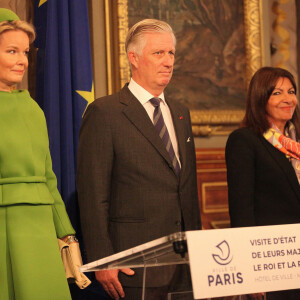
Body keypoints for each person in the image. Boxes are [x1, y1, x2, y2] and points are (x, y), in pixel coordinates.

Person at [77, 18, 201, 299]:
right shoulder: (105, 113)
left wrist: (199, 252)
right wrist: (103, 259)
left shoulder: (180, 113)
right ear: (134, 58)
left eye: (171, 53)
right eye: (159, 53)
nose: (168, 61)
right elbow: (93, 195)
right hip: (133, 265)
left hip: (184, 264)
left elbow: (187, 189)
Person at [0, 8, 76, 300]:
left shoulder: (33, 108)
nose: (22, 60)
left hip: (41, 231)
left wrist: (66, 233)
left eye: (25, 52)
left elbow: (48, 177)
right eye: (12, 51)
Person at [226, 66, 300, 300]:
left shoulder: (296, 141)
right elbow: (242, 211)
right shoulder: (245, 141)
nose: (288, 99)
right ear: (260, 99)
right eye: (277, 93)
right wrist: (249, 272)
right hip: (272, 263)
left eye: (291, 91)